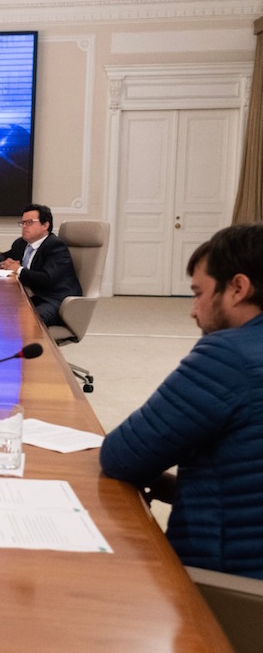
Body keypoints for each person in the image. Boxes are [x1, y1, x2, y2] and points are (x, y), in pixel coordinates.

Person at [100, 224, 263, 579]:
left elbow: (121, 456)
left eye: (198, 293)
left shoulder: (227, 355)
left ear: (237, 288)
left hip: (232, 594)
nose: (193, 311)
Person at [0, 203, 82, 326]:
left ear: (45, 225)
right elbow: (0, 256)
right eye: (22, 223)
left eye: (29, 222)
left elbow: (46, 279)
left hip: (53, 299)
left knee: (30, 322)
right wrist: (4, 263)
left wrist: (18, 270)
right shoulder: (21, 243)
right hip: (31, 296)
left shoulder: (55, 246)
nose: (24, 226)